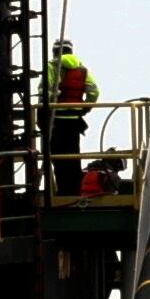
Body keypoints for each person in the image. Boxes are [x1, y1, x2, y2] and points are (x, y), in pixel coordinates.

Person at [49, 39, 98, 194]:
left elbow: (45, 91)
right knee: (73, 155)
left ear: (54, 52)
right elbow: (94, 92)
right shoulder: (82, 70)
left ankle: (63, 190)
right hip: (74, 121)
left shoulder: (52, 67)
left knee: (58, 157)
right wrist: (84, 108)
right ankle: (75, 190)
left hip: (56, 121)